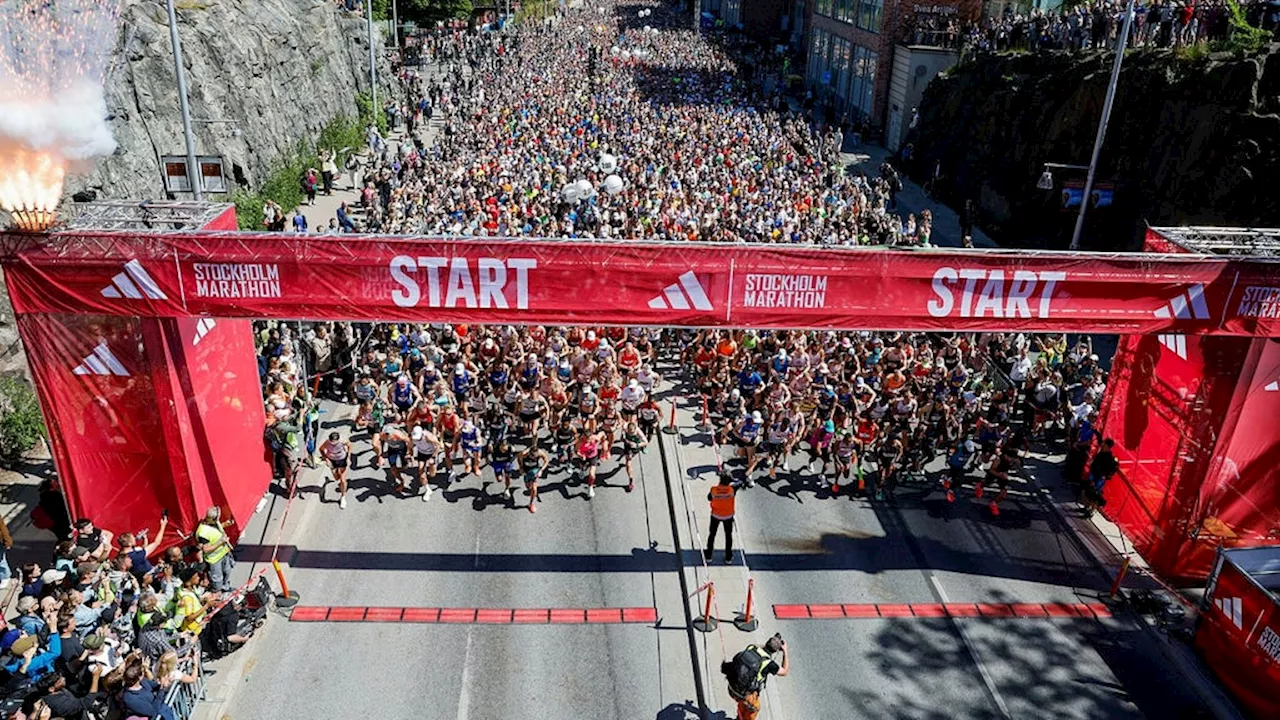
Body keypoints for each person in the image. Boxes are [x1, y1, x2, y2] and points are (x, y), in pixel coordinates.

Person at [722, 633, 790, 720]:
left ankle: (739, 717)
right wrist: (785, 651)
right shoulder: (769, 664)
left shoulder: (751, 647)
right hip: (744, 694)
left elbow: (759, 648)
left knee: (744, 704)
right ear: (776, 651)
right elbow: (785, 671)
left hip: (732, 687)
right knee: (754, 708)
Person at [196, 506, 234, 592]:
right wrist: (221, 542)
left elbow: (216, 530)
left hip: (224, 553)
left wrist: (225, 524)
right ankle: (217, 593)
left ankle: (226, 587)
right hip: (214, 559)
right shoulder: (203, 532)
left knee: (227, 572)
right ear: (213, 519)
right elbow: (206, 549)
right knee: (217, 579)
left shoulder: (213, 523)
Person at [704, 471, 739, 565]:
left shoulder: (714, 490)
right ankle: (728, 558)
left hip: (715, 515)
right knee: (728, 536)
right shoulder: (732, 490)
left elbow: (709, 498)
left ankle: (708, 556)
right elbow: (740, 483)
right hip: (728, 516)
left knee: (712, 535)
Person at [320, 430, 353, 508]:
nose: (333, 444)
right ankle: (327, 481)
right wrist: (326, 459)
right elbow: (321, 449)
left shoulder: (342, 441)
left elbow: (350, 446)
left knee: (342, 480)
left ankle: (343, 497)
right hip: (332, 460)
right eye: (332, 443)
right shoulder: (327, 442)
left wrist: (348, 457)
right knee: (336, 477)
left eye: (335, 443)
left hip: (342, 460)